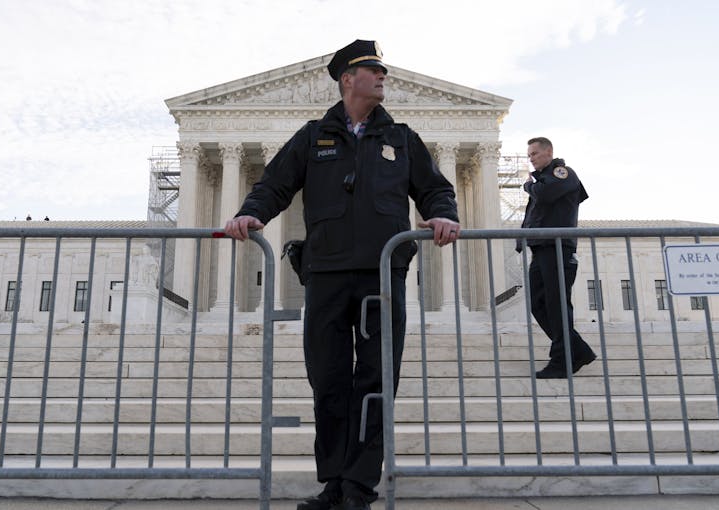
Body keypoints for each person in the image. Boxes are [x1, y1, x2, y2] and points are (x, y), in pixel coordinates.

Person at [224, 40, 460, 510]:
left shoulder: (401, 139)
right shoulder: (313, 137)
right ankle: (332, 482)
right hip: (327, 273)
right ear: (348, 79)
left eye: (383, 71)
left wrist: (442, 213)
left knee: (375, 382)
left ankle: (359, 487)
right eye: (374, 70)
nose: (383, 77)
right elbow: (275, 182)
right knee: (328, 380)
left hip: (381, 274)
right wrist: (253, 214)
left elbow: (435, 188)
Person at [516, 137, 596, 379]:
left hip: (558, 248)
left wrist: (527, 186)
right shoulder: (543, 180)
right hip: (541, 249)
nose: (531, 158)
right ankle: (577, 350)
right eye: (529, 154)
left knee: (557, 304)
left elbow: (546, 195)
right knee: (537, 303)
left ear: (549, 152)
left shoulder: (563, 173)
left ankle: (562, 360)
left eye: (535, 153)